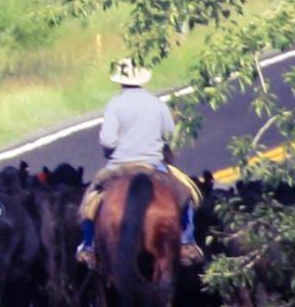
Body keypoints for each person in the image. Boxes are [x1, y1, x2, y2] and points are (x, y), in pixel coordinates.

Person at [76, 58, 202, 268]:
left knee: (89, 200)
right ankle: (186, 242)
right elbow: (170, 135)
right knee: (188, 196)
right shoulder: (156, 103)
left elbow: (108, 141)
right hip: (153, 164)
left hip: (119, 166)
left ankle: (88, 246)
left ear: (120, 80)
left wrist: (112, 149)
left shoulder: (114, 104)